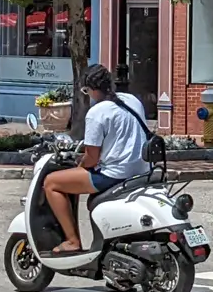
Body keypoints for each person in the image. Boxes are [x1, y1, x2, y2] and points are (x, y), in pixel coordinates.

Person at [40, 64, 151, 256]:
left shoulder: (97, 112)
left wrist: (79, 165)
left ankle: (72, 241)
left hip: (115, 174)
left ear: (91, 89)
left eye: (86, 91)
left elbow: (91, 158)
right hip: (142, 170)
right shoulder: (132, 101)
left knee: (51, 183)